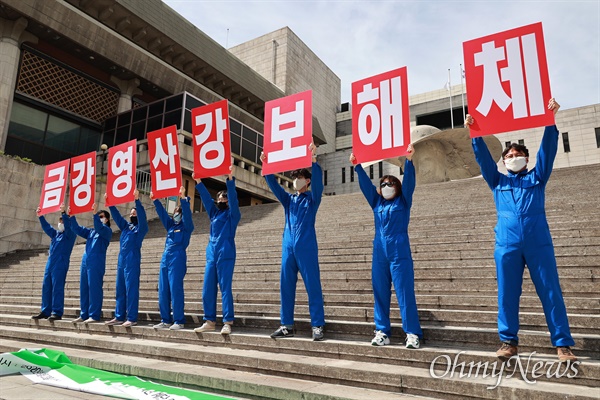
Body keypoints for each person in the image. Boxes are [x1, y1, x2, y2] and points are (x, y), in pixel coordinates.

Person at [467, 98, 577, 362]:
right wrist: (475, 134)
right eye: (508, 156)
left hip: (538, 242)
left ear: (526, 159)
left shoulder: (537, 178)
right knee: (507, 292)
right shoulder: (497, 182)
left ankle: (562, 345)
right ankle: (508, 342)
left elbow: (547, 153)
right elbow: (483, 161)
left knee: (550, 290)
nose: (513, 158)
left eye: (517, 155)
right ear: (503, 162)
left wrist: (550, 120)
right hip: (507, 244)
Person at [349, 145, 423, 349]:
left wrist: (409, 161)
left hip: (400, 253)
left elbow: (409, 184)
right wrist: (357, 167)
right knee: (380, 293)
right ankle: (382, 331)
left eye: (391, 183)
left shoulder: (404, 201)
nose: (387, 186)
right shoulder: (377, 203)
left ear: (397, 188)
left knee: (404, 293)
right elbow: (365, 186)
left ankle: (412, 333)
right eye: (383, 184)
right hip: (379, 253)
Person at [260, 143, 326, 341]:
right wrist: (265, 165)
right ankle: (286, 324)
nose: (295, 181)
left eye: (298, 177)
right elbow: (273, 185)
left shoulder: (312, 200)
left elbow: (319, 185)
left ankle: (318, 325)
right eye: (294, 177)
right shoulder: (289, 201)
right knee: (286, 286)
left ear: (306, 180)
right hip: (288, 248)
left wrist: (314, 161)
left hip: (306, 247)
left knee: (313, 286)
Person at [193, 166, 241, 335]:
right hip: (211, 253)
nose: (220, 201)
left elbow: (234, 200)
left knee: (225, 288)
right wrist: (198, 182)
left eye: (224, 199)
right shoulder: (214, 214)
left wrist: (230, 180)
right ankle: (209, 320)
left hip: (226, 253)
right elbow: (206, 200)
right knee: (208, 288)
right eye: (219, 198)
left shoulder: (232, 215)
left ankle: (227, 321)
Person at [151, 186, 194, 330]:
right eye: (175, 212)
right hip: (165, 259)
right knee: (163, 290)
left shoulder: (186, 227)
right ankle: (165, 319)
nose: (176, 215)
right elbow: (163, 214)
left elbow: (187, 216)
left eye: (178, 213)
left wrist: (183, 200)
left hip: (178, 258)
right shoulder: (170, 226)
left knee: (175, 289)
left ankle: (179, 320)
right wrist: (156, 200)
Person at [104, 189, 148, 328]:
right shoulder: (126, 227)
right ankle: (119, 316)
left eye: (134, 213)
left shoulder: (140, 229)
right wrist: (110, 203)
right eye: (131, 213)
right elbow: (117, 217)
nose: (132, 214)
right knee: (120, 289)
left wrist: (137, 201)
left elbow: (142, 217)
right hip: (121, 261)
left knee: (131, 289)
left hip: (132, 261)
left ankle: (131, 317)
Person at [67, 203, 112, 324]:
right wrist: (71, 216)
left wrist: (94, 215)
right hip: (86, 261)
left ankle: (94, 314)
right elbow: (77, 229)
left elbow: (99, 227)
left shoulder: (106, 231)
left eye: (101, 216)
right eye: (99, 216)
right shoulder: (91, 232)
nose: (100, 217)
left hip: (97, 262)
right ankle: (84, 313)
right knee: (84, 288)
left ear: (106, 219)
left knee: (94, 288)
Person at [32, 203, 76, 321]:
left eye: (63, 221)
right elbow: (47, 227)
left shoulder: (70, 235)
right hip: (50, 263)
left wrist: (63, 213)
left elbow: (67, 224)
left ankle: (57, 312)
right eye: (60, 221)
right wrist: (40, 216)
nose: (61, 223)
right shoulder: (55, 234)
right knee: (46, 287)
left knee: (57, 287)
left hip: (61, 264)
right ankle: (45, 310)